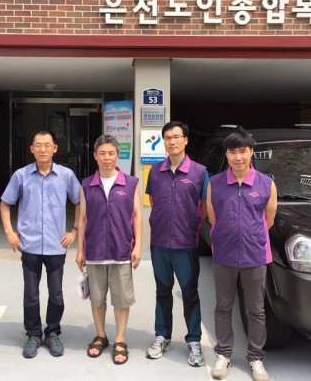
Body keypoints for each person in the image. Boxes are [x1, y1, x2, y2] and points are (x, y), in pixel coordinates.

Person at [0, 130, 81, 359]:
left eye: (47, 145)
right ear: (32, 149)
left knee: (56, 294)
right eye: (38, 145)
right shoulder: (21, 175)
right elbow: (5, 204)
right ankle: (34, 334)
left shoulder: (66, 175)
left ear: (55, 148)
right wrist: (9, 232)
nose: (42, 149)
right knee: (31, 294)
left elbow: (80, 202)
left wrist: (74, 231)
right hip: (30, 245)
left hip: (56, 245)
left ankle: (52, 332)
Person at [206, 127, 277, 381]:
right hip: (224, 254)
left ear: (251, 152)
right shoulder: (215, 183)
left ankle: (256, 358)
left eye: (243, 151)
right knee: (223, 307)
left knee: (255, 310)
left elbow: (268, 219)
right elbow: (213, 218)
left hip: (255, 255)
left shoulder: (266, 183)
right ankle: (223, 354)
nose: (238, 157)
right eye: (233, 151)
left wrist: (249, 236)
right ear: (226, 154)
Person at [145, 120, 209, 367]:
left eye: (176, 137)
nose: (172, 141)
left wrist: (190, 225)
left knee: (190, 293)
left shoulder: (199, 172)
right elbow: (154, 201)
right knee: (162, 291)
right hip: (159, 243)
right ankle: (163, 335)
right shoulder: (155, 171)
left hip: (186, 245)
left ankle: (194, 340)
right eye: (168, 137)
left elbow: (204, 206)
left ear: (186, 140)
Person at [75, 134, 142, 365]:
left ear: (117, 155)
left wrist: (138, 246)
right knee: (97, 298)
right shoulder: (86, 184)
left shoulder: (131, 183)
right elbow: (83, 218)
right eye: (102, 153)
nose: (107, 157)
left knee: (122, 299)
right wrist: (80, 250)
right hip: (94, 251)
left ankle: (120, 339)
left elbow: (137, 216)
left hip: (121, 250)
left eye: (111, 153)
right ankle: (100, 335)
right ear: (95, 156)